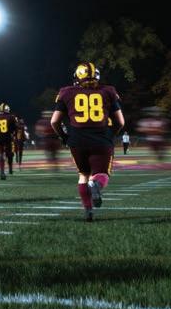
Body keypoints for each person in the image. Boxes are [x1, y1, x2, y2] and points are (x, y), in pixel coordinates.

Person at [51, 62, 124, 222]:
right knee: (101, 174)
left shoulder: (66, 92)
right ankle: (96, 185)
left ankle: (88, 210)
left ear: (78, 76)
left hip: (77, 140)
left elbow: (54, 122)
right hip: (101, 139)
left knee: (83, 175)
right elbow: (120, 122)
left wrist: (64, 137)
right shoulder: (108, 91)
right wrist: (110, 135)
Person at [0, 103, 18, 180]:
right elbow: (16, 129)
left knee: (1, 154)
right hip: (8, 137)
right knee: (9, 154)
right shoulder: (11, 117)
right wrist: (14, 135)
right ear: (6, 109)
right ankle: (10, 168)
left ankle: (2, 172)